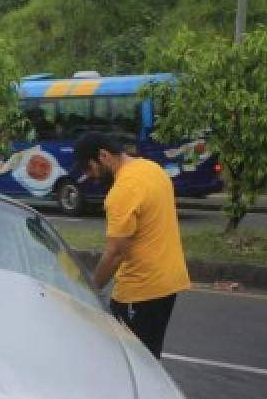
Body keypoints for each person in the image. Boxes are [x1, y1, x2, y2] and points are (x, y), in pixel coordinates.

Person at [71, 132, 190, 358]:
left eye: (89, 168)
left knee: (129, 362)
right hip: (169, 282)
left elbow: (115, 253)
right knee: (148, 358)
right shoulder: (152, 169)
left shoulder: (123, 191)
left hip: (140, 290)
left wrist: (91, 289)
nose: (90, 177)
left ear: (103, 156)